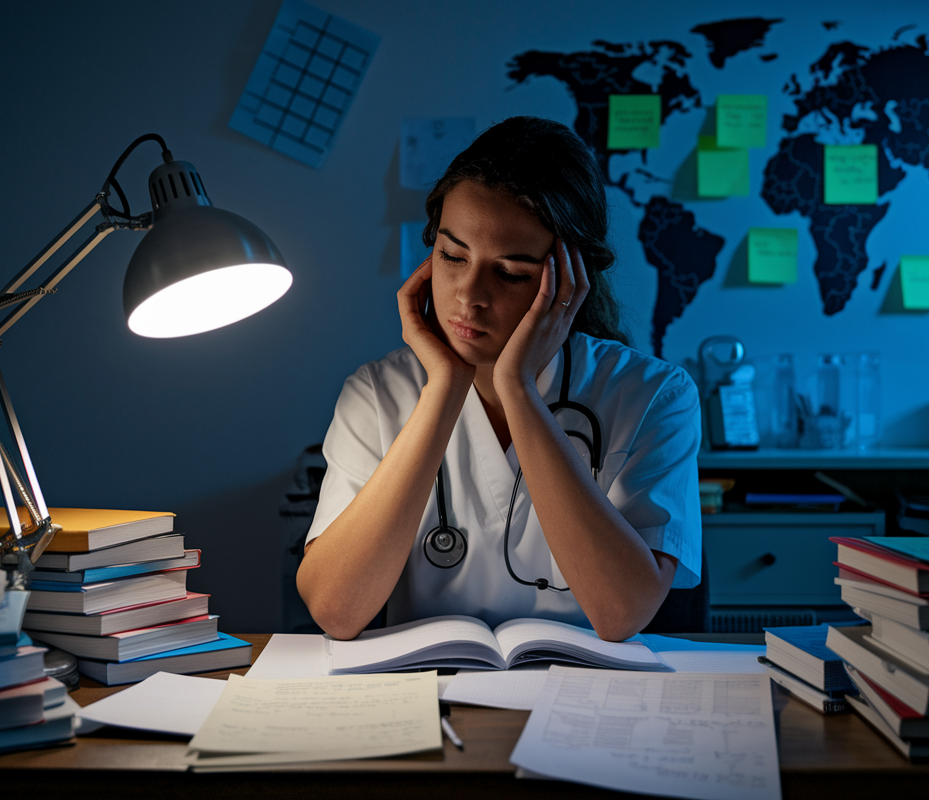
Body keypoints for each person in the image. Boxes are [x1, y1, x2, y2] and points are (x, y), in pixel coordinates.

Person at [297, 116, 701, 642]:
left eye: (510, 272)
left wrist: (519, 390)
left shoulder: (653, 396)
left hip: (582, 703)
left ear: (571, 281)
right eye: (452, 255)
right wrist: (443, 389)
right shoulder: (377, 393)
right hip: (427, 700)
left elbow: (621, 614)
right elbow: (336, 610)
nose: (468, 294)